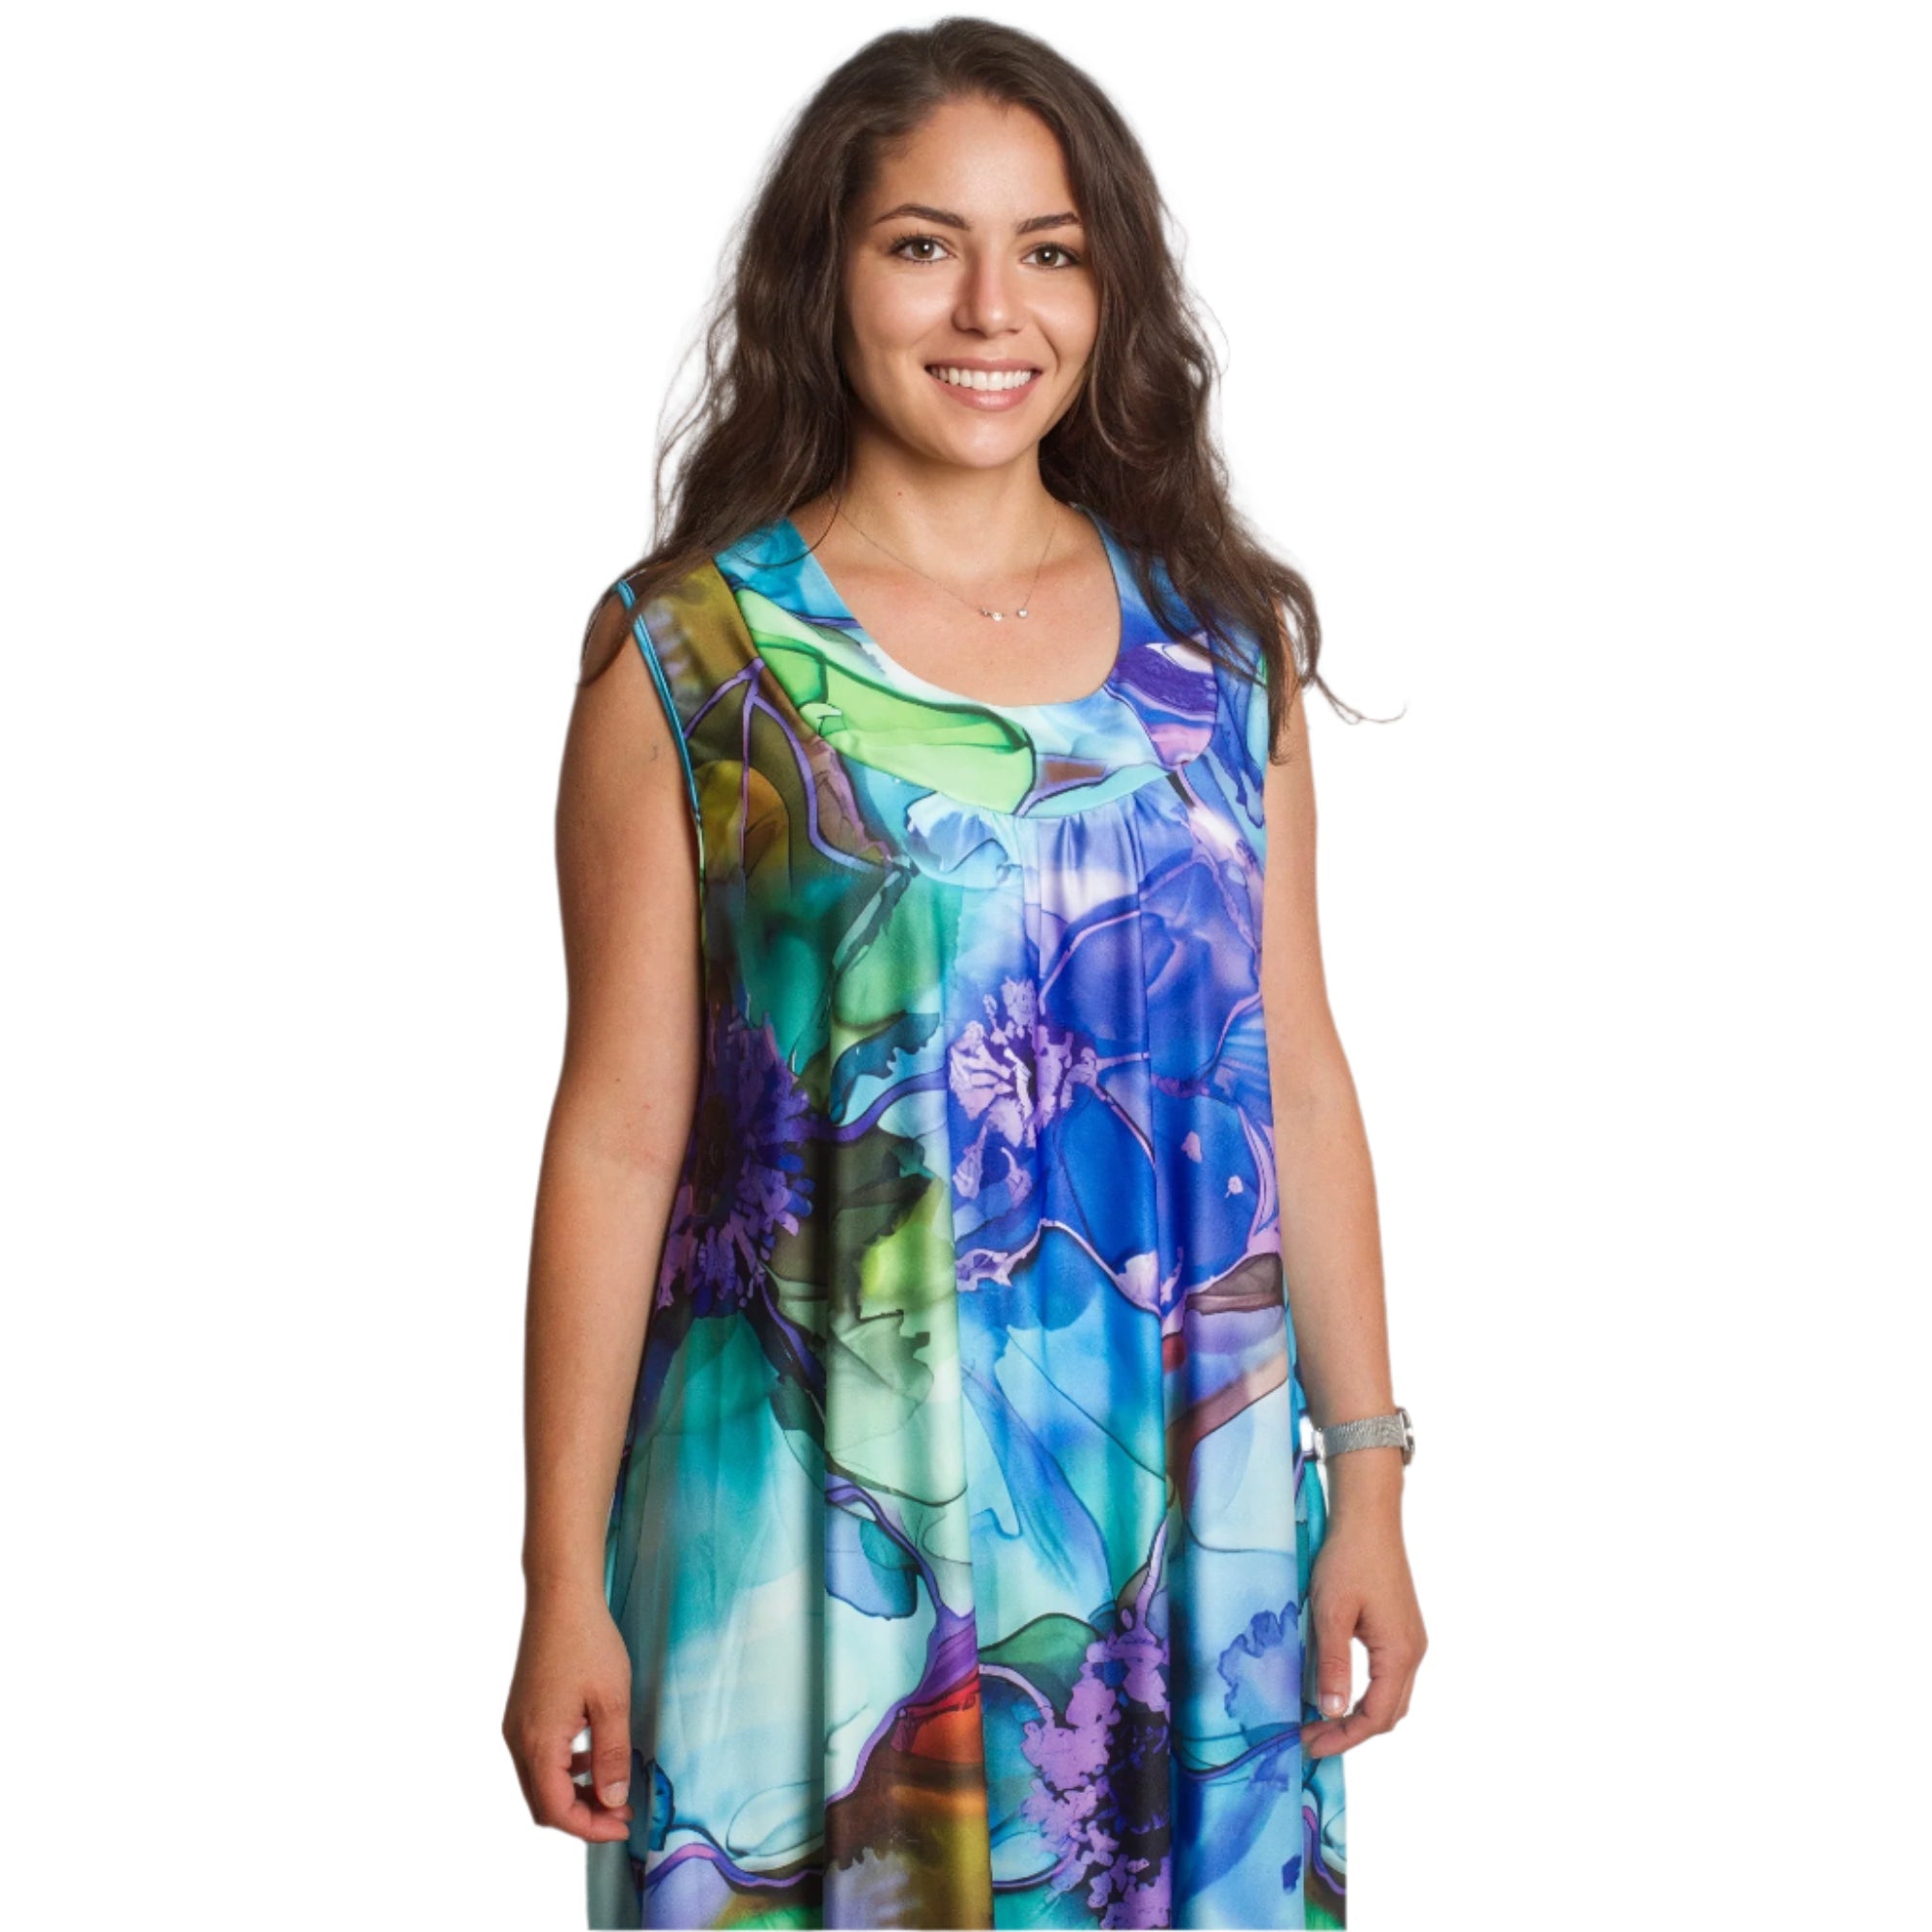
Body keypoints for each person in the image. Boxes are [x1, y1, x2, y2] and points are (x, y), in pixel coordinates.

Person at [502, 17, 1425, 1929]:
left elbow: (1299, 1076)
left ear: (1109, 291)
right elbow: (617, 1135)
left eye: (1049, 251)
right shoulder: (695, 656)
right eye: (924, 245)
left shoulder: (1216, 654)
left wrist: (1368, 1475)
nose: (990, 310)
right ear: (824, 277)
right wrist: (559, 1576)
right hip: (804, 1545)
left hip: (1181, 1528)